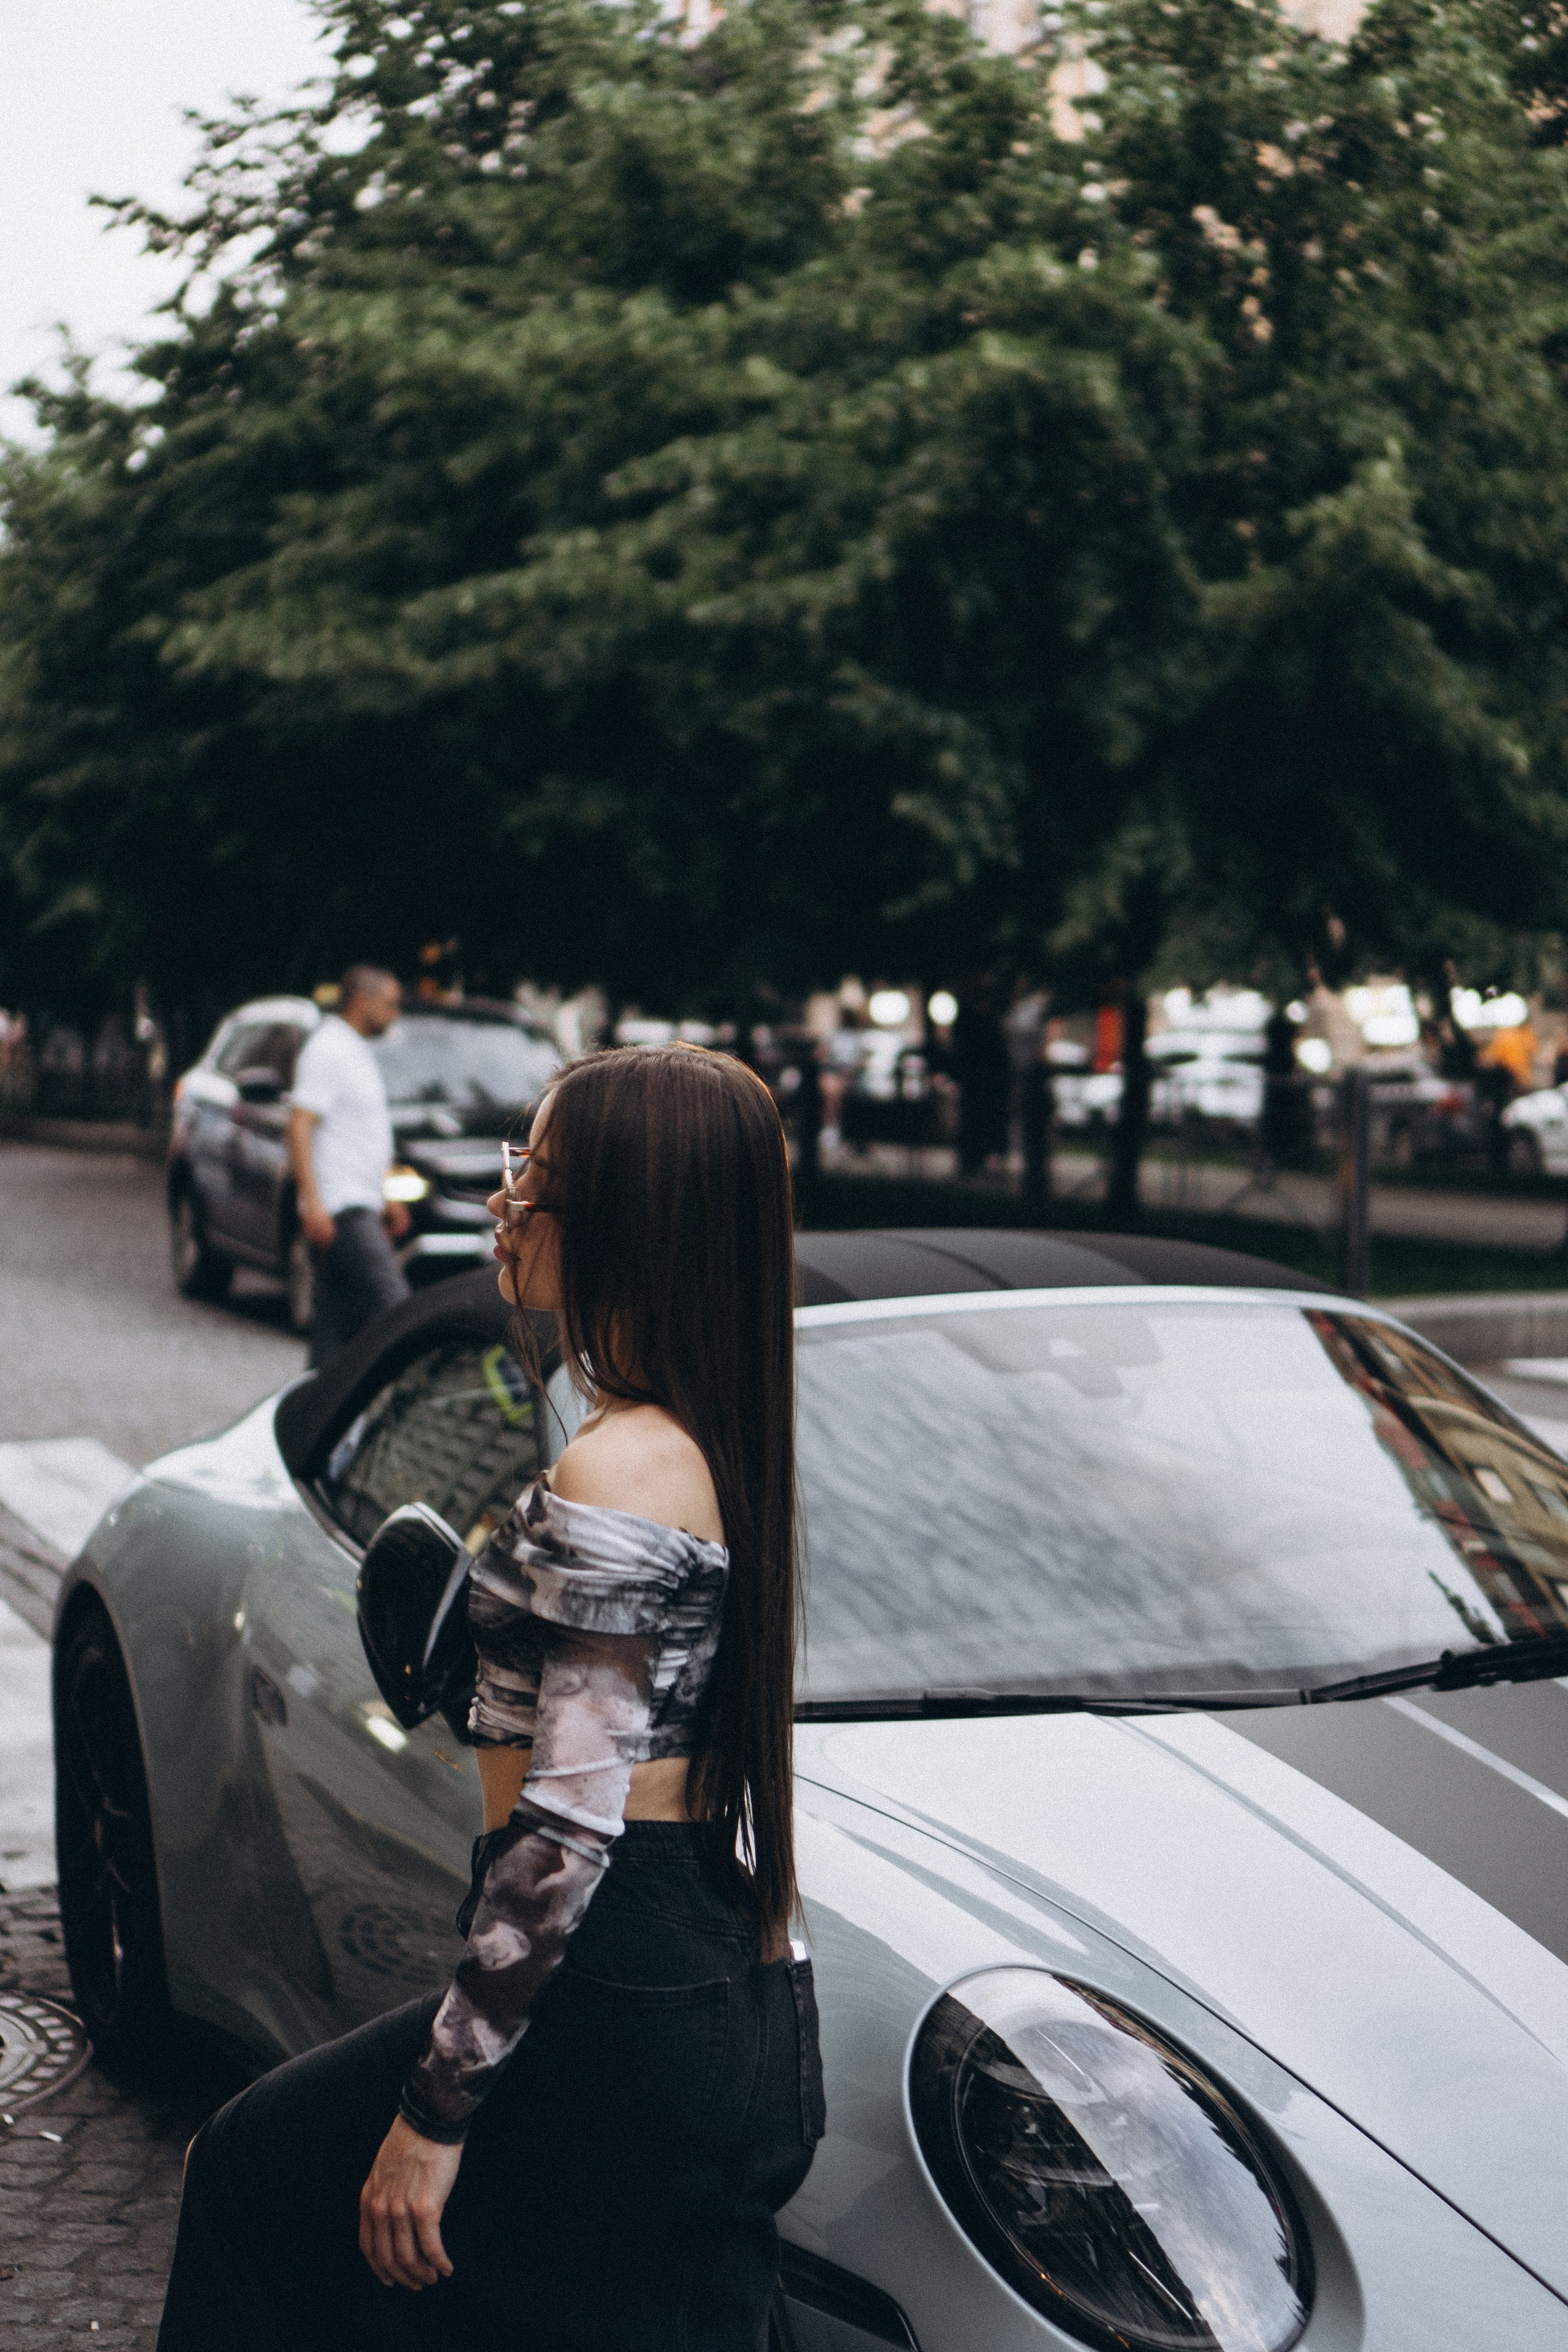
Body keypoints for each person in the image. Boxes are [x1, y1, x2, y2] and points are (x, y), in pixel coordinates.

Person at [158, 1043, 821, 2352]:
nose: (499, 1200)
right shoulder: (712, 1441)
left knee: (248, 2174)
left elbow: (565, 1841)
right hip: (724, 1984)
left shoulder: (618, 1470)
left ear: (626, 1220)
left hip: (607, 1993)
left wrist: (433, 2111)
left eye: (536, 1175)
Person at [288, 966, 411, 1367]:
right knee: (396, 1310)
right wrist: (313, 1204)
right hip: (342, 1208)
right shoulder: (327, 1050)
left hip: (360, 1202)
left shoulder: (355, 1049)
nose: (395, 1014)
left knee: (336, 1326)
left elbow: (367, 1136)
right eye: (390, 1004)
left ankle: (314, 1414)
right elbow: (300, 1127)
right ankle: (396, 1404)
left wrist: (388, 1196)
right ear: (362, 1001)